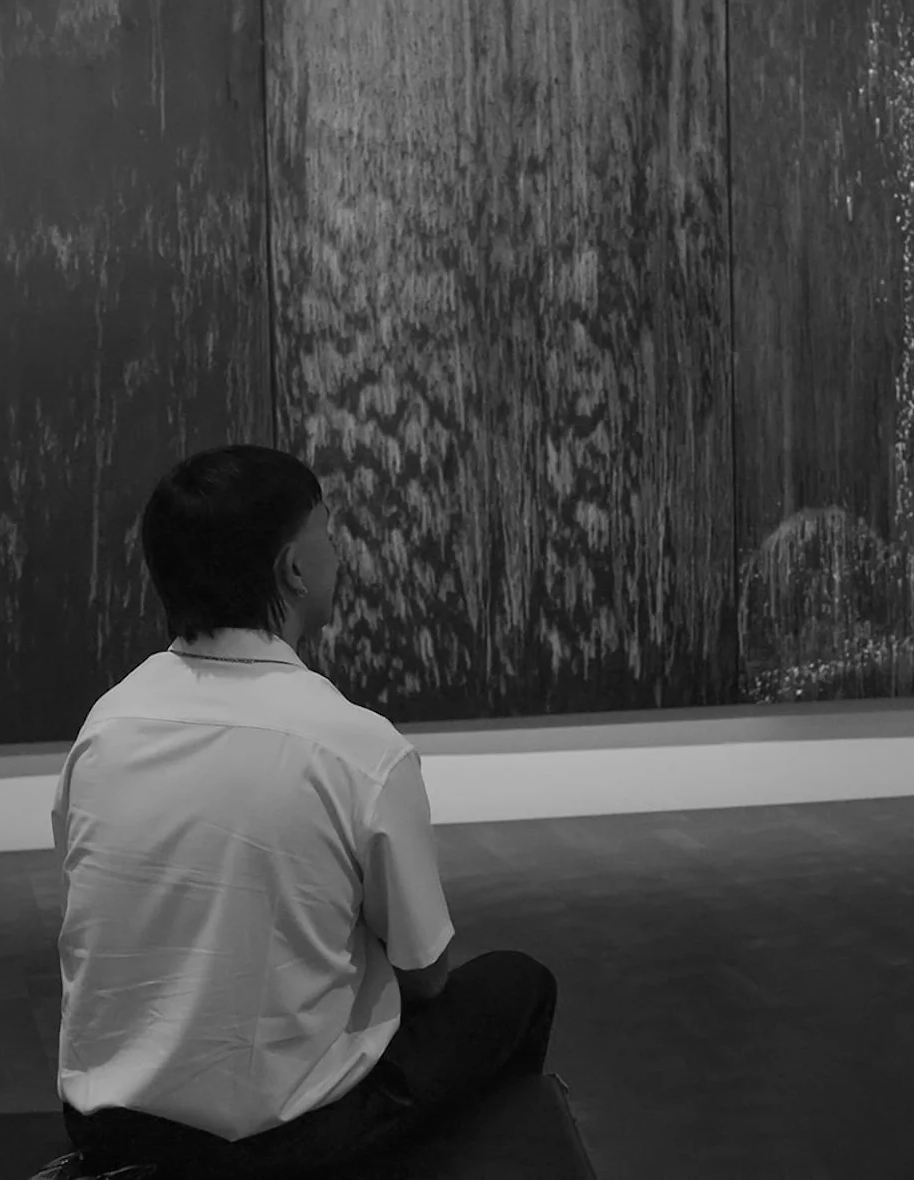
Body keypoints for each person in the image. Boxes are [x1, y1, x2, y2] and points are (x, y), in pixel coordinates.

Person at [50, 445, 557, 1178]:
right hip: (280, 1145)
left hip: (109, 1131)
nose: (338, 550)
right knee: (517, 982)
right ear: (293, 567)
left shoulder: (105, 726)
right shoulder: (357, 748)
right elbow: (427, 978)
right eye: (329, 530)